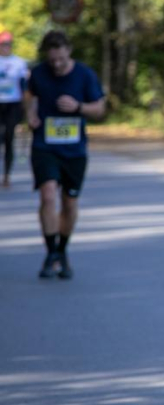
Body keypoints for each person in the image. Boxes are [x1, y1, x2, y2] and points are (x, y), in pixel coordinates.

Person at [24, 31, 106, 279]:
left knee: (69, 203)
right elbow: (29, 95)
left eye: (60, 59)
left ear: (68, 51)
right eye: (52, 60)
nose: (57, 65)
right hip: (44, 146)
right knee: (48, 196)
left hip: (74, 150)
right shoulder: (38, 73)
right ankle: (50, 253)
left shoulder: (85, 75)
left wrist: (79, 107)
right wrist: (30, 113)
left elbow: (100, 109)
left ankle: (62, 250)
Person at [0, 31, 29, 188]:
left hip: (13, 104)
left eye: (8, 44)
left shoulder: (19, 62)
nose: (6, 47)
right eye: (3, 44)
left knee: (9, 139)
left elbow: (24, 86)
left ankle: (6, 176)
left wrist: (26, 108)